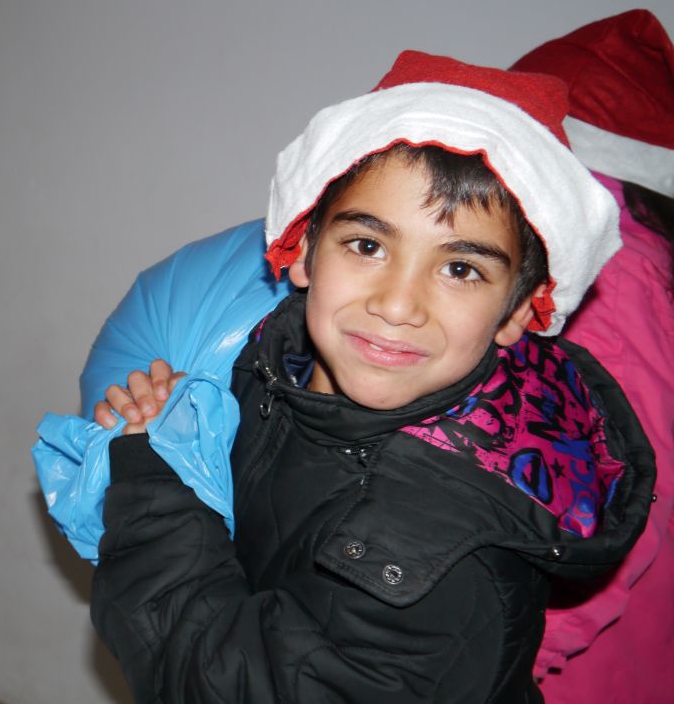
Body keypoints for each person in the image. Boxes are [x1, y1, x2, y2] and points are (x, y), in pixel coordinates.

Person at [87, 51, 655, 703]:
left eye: (460, 269)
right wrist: (182, 434)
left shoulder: (442, 571)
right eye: (368, 245)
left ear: (518, 313)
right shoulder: (277, 360)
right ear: (301, 248)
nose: (397, 304)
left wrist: (154, 485)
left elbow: (215, 684)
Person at [507, 9, 674, 703]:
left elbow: (620, 499)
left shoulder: (608, 272)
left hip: (567, 672)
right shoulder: (624, 261)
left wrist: (508, 657)